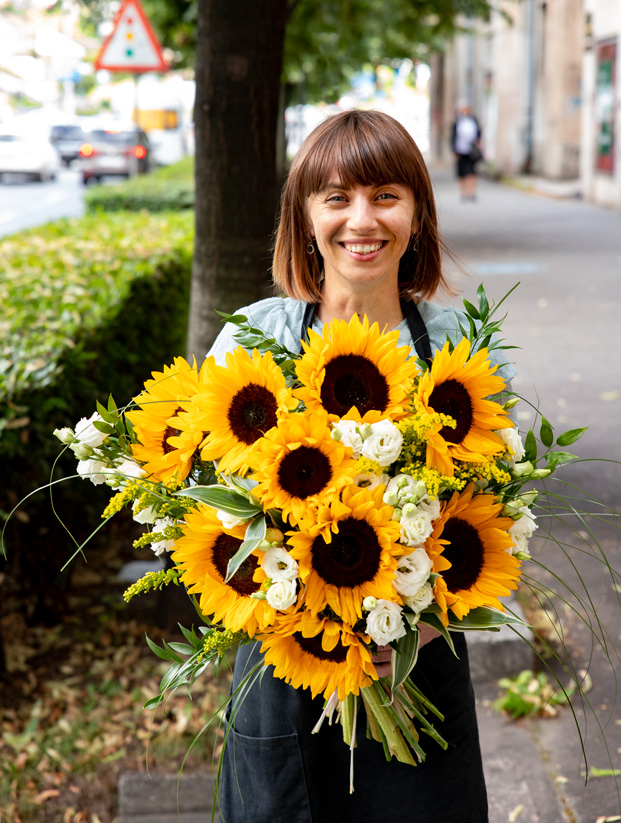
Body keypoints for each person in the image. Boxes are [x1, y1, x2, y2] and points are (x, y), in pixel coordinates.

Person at [208, 109, 512, 823]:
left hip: (414, 664)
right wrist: (293, 607)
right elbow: (209, 512)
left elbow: (494, 514)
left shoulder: (457, 353)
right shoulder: (253, 341)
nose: (361, 220)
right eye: (336, 197)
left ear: (416, 214)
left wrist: (430, 621)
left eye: (384, 196)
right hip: (284, 659)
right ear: (305, 217)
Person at [451, 101, 482, 201]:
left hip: (471, 151)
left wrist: (478, 144)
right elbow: (453, 137)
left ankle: (471, 192)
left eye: (467, 109)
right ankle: (463, 193)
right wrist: (454, 150)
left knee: (471, 172)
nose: (465, 111)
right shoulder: (457, 122)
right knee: (461, 173)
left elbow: (479, 134)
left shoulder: (474, 121)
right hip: (460, 150)